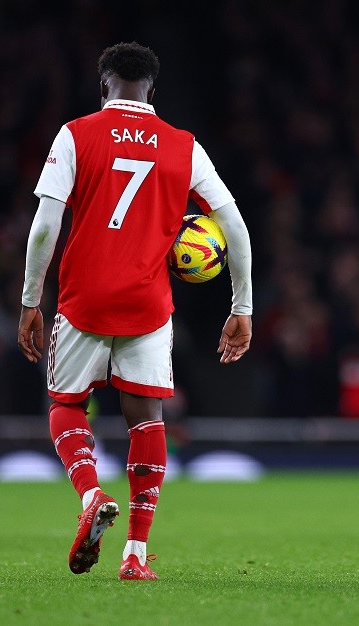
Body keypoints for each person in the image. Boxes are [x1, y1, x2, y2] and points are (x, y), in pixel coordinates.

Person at [17, 42, 253, 580]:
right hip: (149, 304)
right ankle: (135, 555)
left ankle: (90, 494)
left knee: (66, 406)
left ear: (104, 87)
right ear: (153, 91)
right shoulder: (184, 146)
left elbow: (44, 228)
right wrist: (241, 305)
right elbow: (234, 227)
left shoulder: (76, 134)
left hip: (84, 299)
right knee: (147, 420)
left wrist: (31, 300)